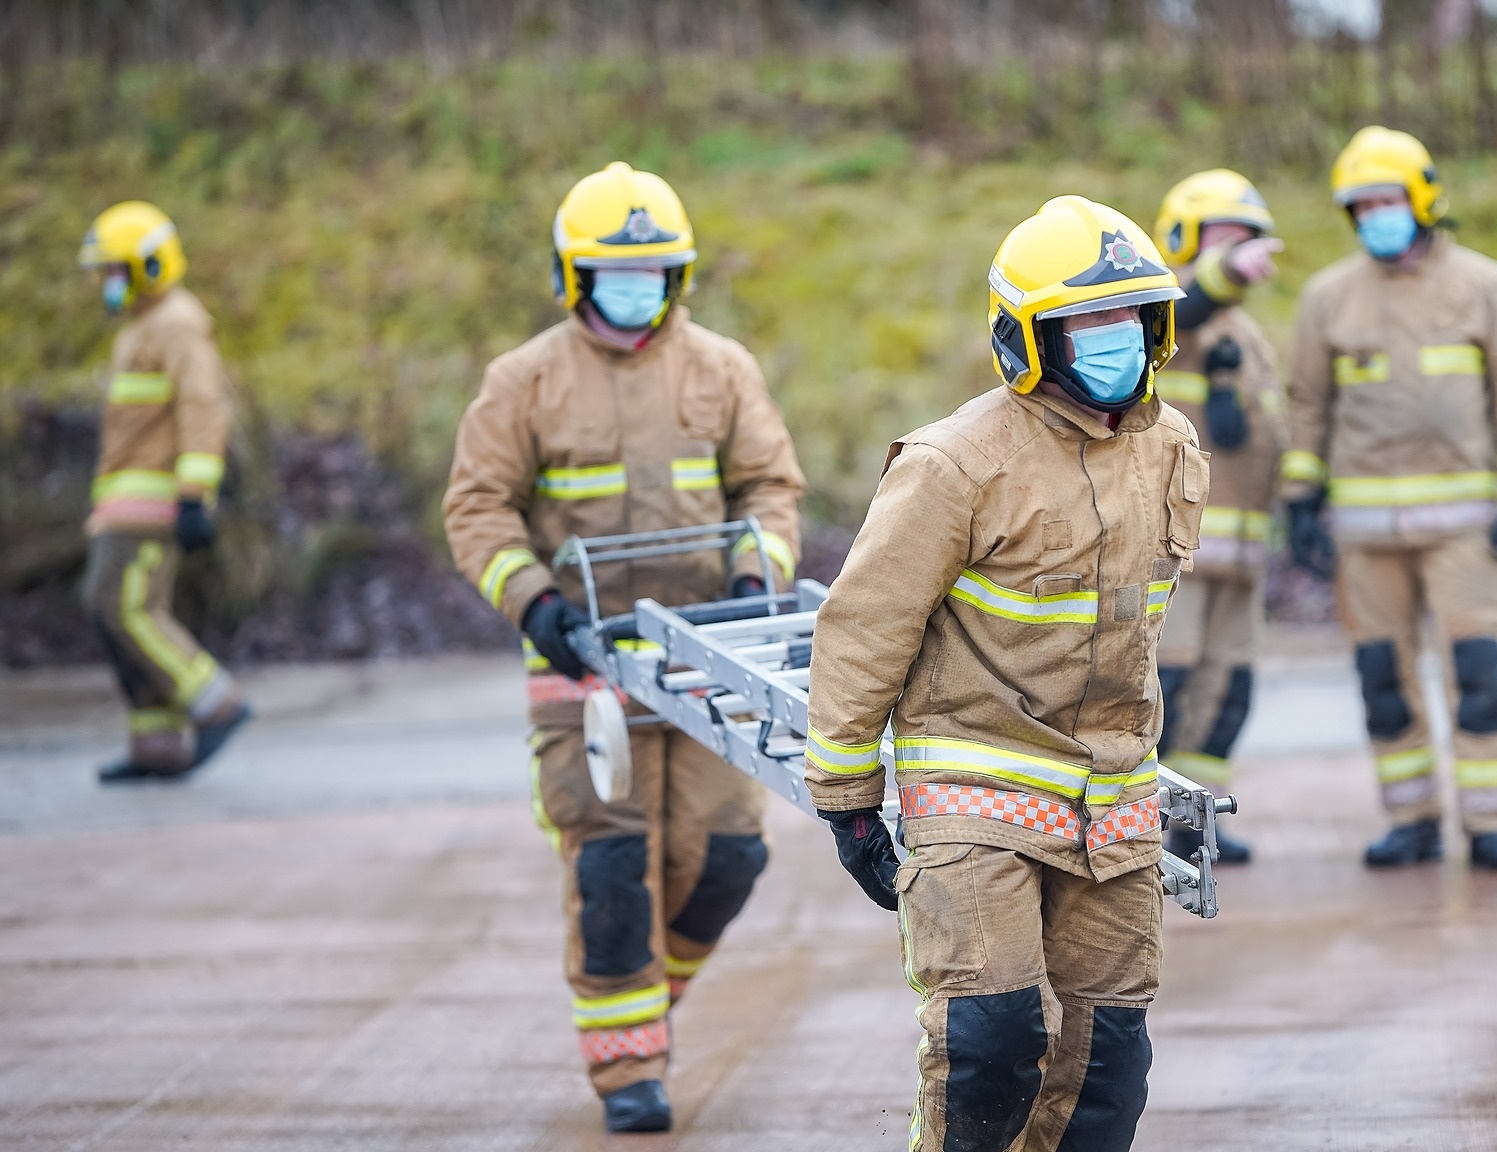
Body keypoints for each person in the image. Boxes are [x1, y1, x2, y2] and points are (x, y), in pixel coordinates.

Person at [803, 196, 1205, 1152]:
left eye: (1128, 318)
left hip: (1111, 797)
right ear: (1026, 338)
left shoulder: (1171, 447)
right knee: (991, 1041)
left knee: (1107, 1070)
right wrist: (849, 797)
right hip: (976, 783)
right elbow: (863, 627)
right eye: (1085, 324)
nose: (1114, 342)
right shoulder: (954, 464)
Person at [442, 162, 805, 1132]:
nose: (637, 292)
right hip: (584, 675)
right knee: (610, 875)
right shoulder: (522, 382)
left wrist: (751, 576)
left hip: (704, 664)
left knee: (726, 856)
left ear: (678, 277)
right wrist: (532, 605)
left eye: (654, 274)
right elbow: (476, 506)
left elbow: (769, 489)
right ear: (575, 277)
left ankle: (651, 1005)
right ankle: (627, 1071)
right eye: (616, 274)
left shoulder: (722, 369)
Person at [1283, 127, 1497, 872]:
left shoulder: (1486, 286)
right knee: (1384, 682)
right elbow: (1307, 404)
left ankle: (1493, 824)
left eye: (1387, 199)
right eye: (1361, 205)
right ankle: (1412, 820)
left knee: (1478, 676)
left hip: (1469, 530)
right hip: (1366, 536)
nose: (1376, 215)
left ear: (1423, 198)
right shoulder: (1327, 298)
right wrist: (1300, 500)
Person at [77, 201, 250, 784]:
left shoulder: (176, 322)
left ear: (149, 267)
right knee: (111, 612)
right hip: (123, 506)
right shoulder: (141, 327)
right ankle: (155, 742)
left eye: (116, 269)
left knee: (123, 606)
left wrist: (194, 495)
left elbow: (203, 406)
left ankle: (216, 703)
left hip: (151, 507)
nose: (106, 282)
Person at [1148, 168, 1286, 864]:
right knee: (1164, 692)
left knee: (1227, 693)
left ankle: (1197, 823)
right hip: (1178, 555)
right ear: (1182, 237)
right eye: (1223, 237)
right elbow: (1194, 301)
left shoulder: (1251, 337)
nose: (1239, 252)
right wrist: (1222, 274)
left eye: (1246, 239)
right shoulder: (1162, 314)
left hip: (1241, 556)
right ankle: (1138, 826)